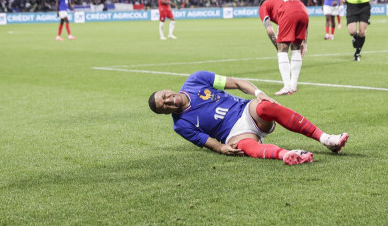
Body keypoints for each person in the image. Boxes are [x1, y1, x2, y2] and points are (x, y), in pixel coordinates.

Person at [148, 71, 349, 165]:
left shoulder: (195, 80)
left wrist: (258, 93)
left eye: (164, 97)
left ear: (167, 90)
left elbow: (236, 83)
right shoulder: (181, 125)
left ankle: (327, 139)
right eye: (163, 107)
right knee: (246, 148)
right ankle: (289, 154)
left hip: (245, 110)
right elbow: (205, 141)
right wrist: (221, 148)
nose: (168, 102)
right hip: (233, 134)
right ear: (165, 113)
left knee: (267, 107)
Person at [259, 0, 309, 95]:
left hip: (288, 13)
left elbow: (269, 30)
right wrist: (305, 42)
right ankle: (293, 85)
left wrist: (278, 47)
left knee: (283, 50)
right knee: (296, 49)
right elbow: (300, 14)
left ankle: (287, 87)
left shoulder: (263, 6)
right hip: (304, 12)